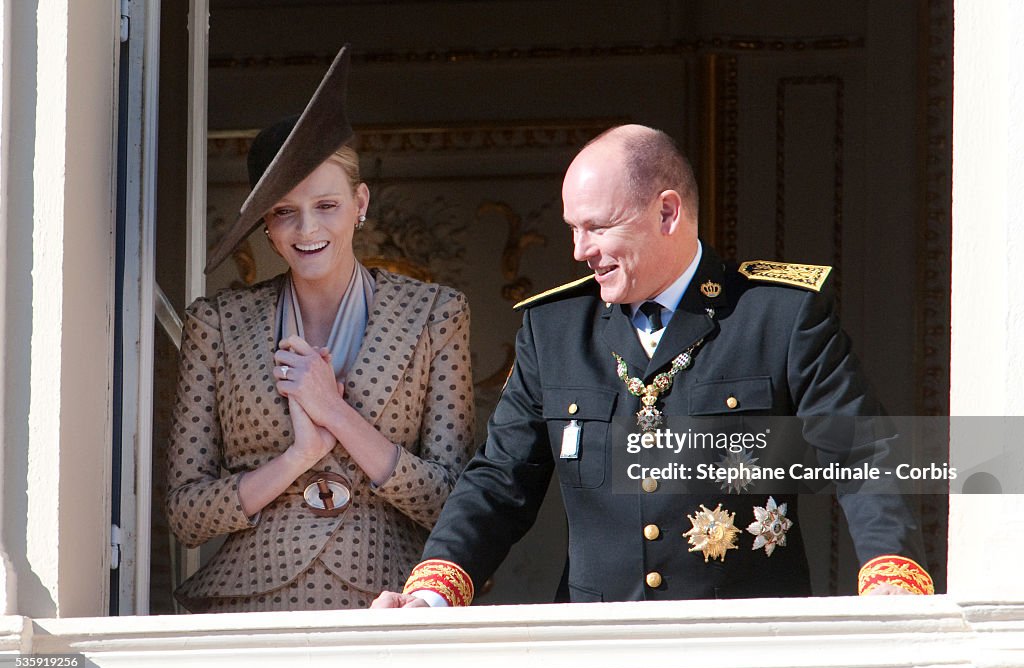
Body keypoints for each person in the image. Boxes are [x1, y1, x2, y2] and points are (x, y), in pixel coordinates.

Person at [373, 123, 932, 609]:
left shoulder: (778, 316)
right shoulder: (555, 331)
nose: (579, 249)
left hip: (747, 645)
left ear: (667, 212)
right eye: (573, 227)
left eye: (596, 226)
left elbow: (862, 452)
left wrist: (892, 575)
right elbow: (500, 481)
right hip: (599, 647)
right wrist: (435, 588)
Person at [165, 46, 474, 612]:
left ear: (360, 203)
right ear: (264, 223)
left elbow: (454, 501)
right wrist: (297, 457)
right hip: (249, 607)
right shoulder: (217, 323)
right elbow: (185, 515)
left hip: (392, 606)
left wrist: (336, 414)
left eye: (327, 205)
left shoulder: (436, 314)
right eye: (284, 211)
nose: (308, 229)